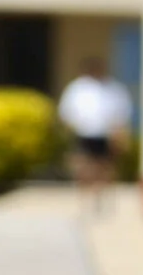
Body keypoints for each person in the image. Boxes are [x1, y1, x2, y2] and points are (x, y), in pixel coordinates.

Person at [56, 56, 131, 201]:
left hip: (106, 134)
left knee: (104, 167)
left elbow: (122, 113)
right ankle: (85, 195)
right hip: (83, 133)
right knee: (83, 165)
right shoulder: (77, 87)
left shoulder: (114, 87)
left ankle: (101, 195)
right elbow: (66, 112)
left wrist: (120, 133)